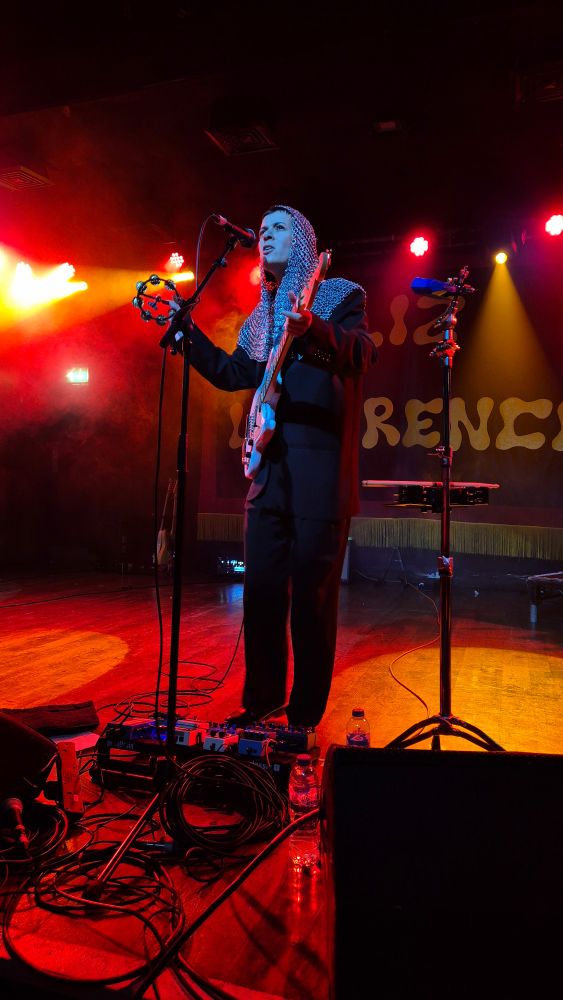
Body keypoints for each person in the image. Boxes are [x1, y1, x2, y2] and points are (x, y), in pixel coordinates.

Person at [180, 205, 377, 729]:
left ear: (305, 240)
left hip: (320, 478)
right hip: (268, 475)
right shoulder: (261, 316)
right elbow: (233, 374)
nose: (265, 236)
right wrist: (185, 333)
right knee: (262, 595)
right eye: (262, 230)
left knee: (312, 601)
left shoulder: (340, 295)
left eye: (278, 228)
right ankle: (262, 700)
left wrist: (310, 327)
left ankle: (304, 717)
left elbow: (362, 354)